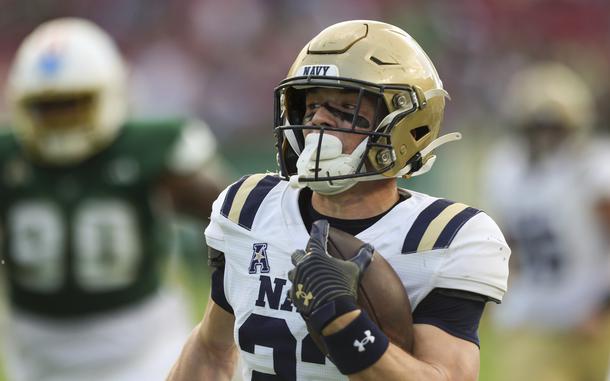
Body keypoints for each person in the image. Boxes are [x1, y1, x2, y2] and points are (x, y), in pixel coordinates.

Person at [169, 20, 510, 381]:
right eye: (310, 107)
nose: (318, 121)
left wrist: (343, 324)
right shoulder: (248, 208)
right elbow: (211, 348)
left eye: (346, 111)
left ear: (405, 126)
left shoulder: (443, 237)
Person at [0, 18, 227, 381]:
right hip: (36, 349)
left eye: (74, 104)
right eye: (48, 107)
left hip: (141, 344)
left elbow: (230, 217)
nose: (60, 120)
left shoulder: (150, 149)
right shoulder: (9, 157)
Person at [482, 61, 610, 381]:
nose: (545, 137)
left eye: (554, 127)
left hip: (593, 316)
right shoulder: (505, 167)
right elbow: (505, 245)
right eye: (538, 127)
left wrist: (602, 306)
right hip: (536, 317)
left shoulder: (592, 169)